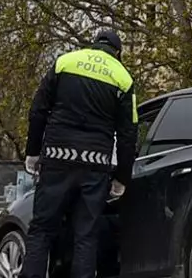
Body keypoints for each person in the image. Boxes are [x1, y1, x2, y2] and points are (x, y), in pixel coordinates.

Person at [18, 28, 137, 278]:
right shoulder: (123, 78)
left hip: (56, 159)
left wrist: (33, 151)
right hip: (95, 166)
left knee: (41, 230)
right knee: (86, 236)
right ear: (118, 53)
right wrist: (122, 178)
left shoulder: (65, 62)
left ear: (93, 45)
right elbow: (128, 134)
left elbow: (38, 109)